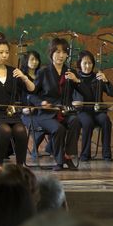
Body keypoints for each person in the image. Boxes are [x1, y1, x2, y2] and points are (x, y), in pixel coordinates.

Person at [28, 38, 84, 171]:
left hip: (64, 112)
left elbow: (84, 92)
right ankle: (59, 161)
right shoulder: (43, 72)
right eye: (58, 52)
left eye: (64, 52)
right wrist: (41, 102)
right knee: (59, 129)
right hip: (46, 114)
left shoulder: (70, 72)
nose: (61, 55)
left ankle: (67, 156)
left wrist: (77, 81)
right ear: (51, 53)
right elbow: (31, 94)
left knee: (76, 120)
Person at [0, 32, 35, 168]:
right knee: (5, 131)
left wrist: (24, 77)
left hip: (11, 114)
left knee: (21, 131)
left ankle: (19, 167)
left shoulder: (13, 71)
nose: (5, 55)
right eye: (1, 52)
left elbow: (31, 88)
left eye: (7, 52)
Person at [73, 50, 113, 161]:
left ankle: (107, 154)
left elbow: (112, 93)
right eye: (85, 63)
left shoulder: (98, 77)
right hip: (82, 110)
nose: (88, 66)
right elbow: (69, 95)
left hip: (97, 110)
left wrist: (106, 81)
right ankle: (84, 154)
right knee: (88, 122)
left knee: (105, 120)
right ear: (79, 64)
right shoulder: (76, 77)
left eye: (90, 63)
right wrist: (74, 102)